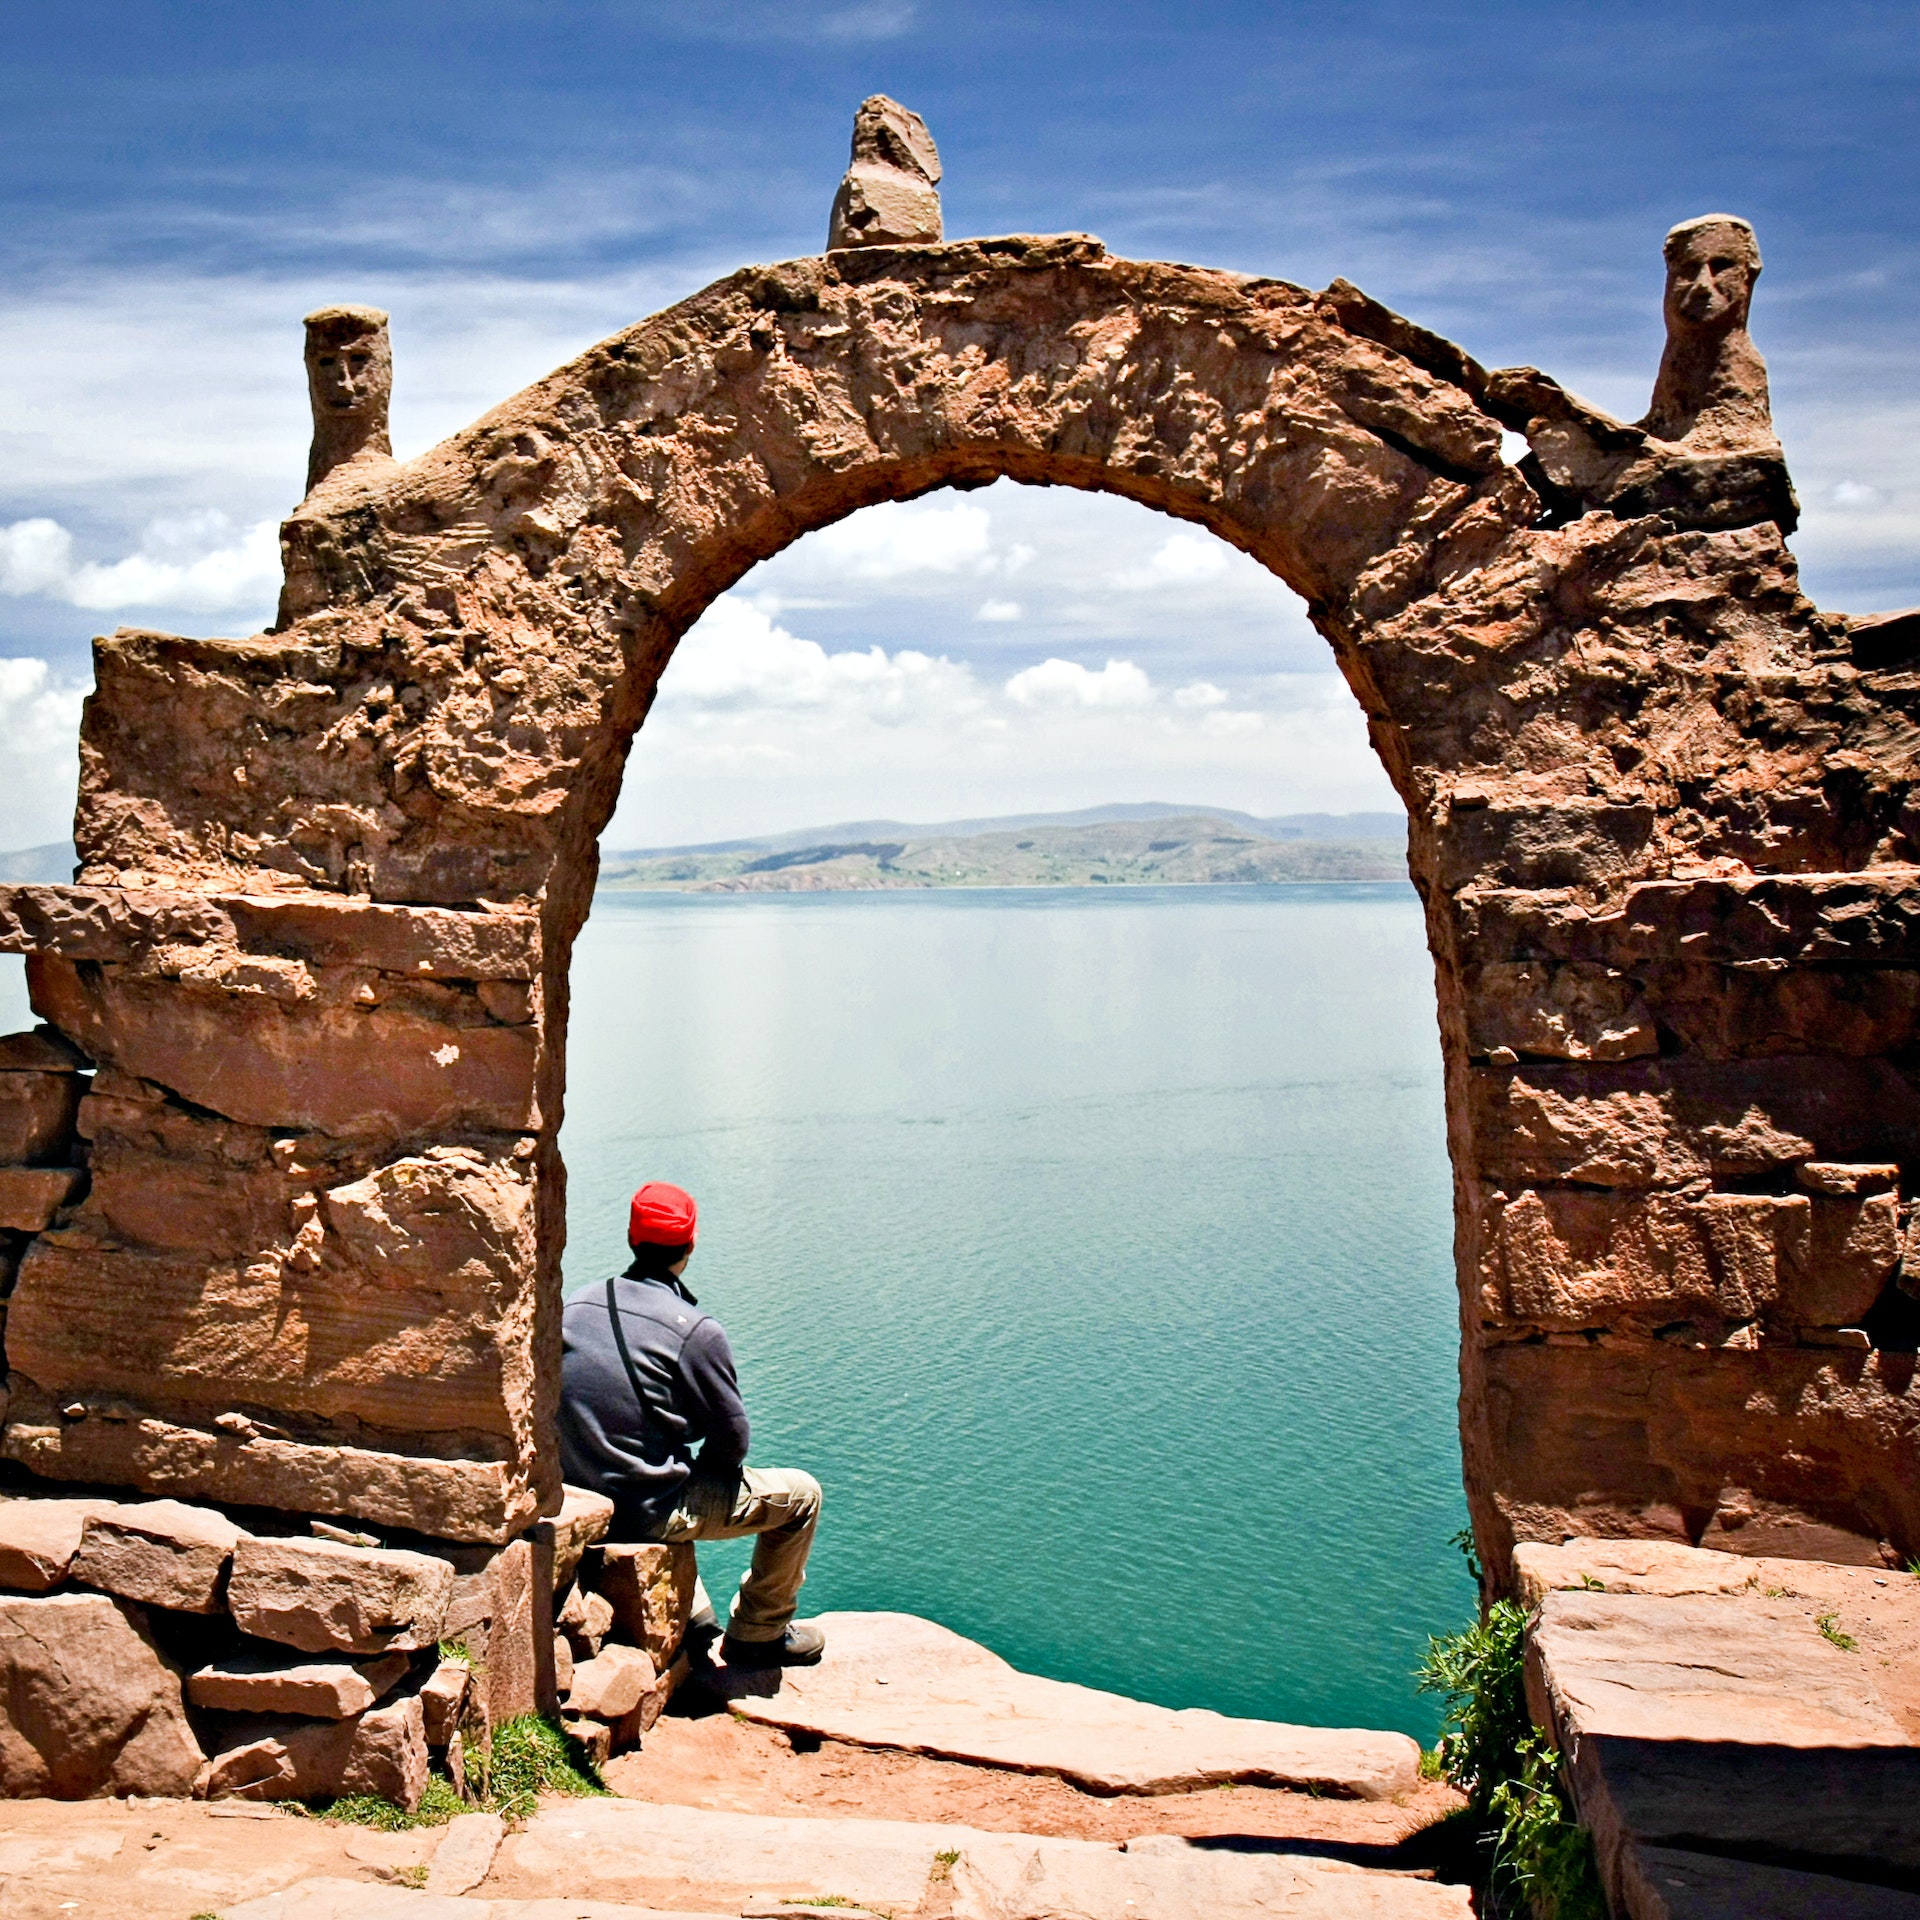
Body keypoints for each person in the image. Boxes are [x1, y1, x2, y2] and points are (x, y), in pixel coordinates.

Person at [556, 1181, 826, 1668]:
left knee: (651, 1458)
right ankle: (758, 1632)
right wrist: (703, 1472)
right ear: (691, 1243)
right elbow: (732, 1440)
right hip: (645, 1508)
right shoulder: (694, 1331)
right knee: (802, 1496)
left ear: (631, 1238)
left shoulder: (577, 1304)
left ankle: (695, 1616)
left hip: (581, 1494)